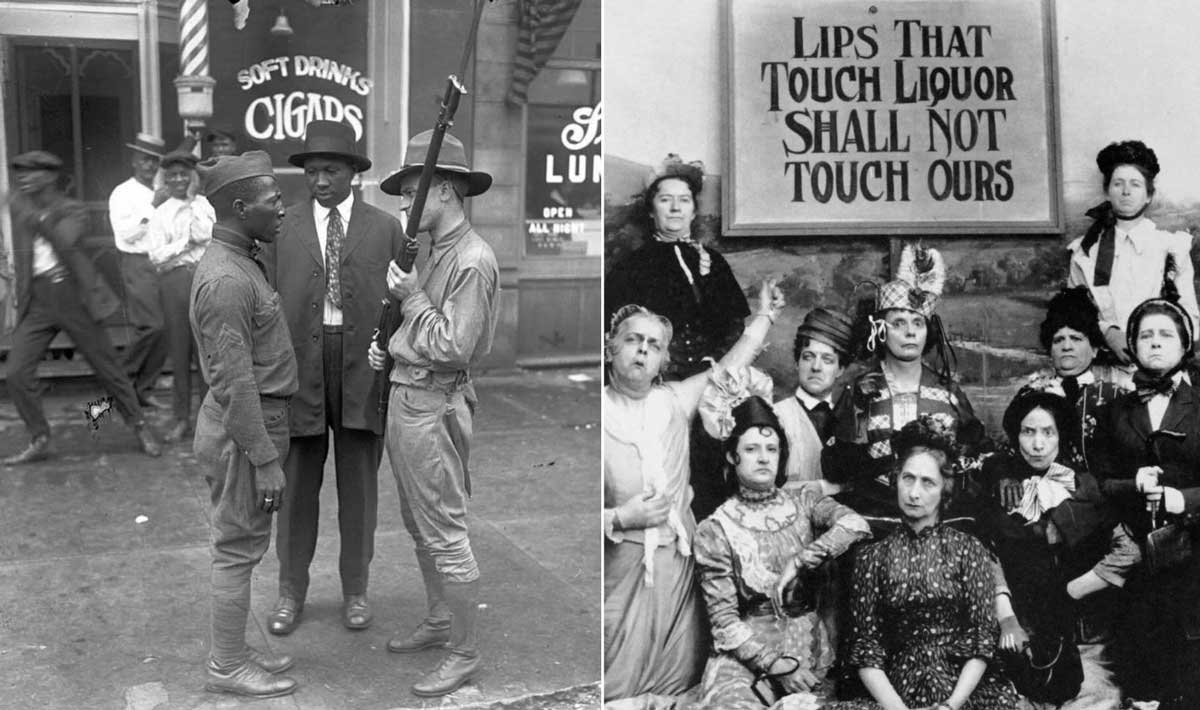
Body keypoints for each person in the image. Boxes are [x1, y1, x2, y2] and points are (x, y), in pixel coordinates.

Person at [602, 281, 784, 707]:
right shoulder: (593, 414)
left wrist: (764, 317)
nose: (643, 350)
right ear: (610, 348)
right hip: (618, 572)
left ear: (665, 359)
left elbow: (730, 364)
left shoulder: (673, 402)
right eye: (633, 340)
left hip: (678, 571)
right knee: (615, 685)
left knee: (678, 683)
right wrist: (620, 517)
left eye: (654, 344)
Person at [367, 130, 497, 697]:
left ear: (443, 190)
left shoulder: (472, 259)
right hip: (406, 395)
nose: (403, 203)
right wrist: (391, 342)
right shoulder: (430, 251)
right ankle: (442, 620)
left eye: (412, 190)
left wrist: (413, 299)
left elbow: (455, 348)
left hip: (434, 403)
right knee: (420, 523)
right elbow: (420, 335)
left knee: (444, 529)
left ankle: (465, 653)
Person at [263, 120, 402, 637]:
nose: (319, 180)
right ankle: (290, 592)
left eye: (331, 170)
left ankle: (356, 590)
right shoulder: (283, 226)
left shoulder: (385, 229)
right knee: (295, 485)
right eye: (312, 171)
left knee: (359, 487)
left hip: (363, 366)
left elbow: (404, 304)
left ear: (354, 174)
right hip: (299, 365)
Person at [190, 151, 298, 698]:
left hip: (249, 425)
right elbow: (236, 383)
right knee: (237, 548)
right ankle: (227, 666)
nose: (282, 207)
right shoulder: (228, 280)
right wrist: (266, 460)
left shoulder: (240, 260)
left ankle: (234, 651)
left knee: (245, 543)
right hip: (244, 434)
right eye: (273, 199)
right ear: (239, 207)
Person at [824, 417, 1023, 710]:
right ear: (896, 480)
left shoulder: (969, 550)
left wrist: (950, 706)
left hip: (964, 692)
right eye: (908, 478)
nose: (914, 493)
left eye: (927, 482)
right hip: (895, 692)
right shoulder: (871, 557)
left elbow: (982, 641)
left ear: (945, 488)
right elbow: (866, 650)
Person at [692, 393, 869, 709]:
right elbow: (724, 623)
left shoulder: (803, 501)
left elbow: (855, 524)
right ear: (733, 457)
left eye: (771, 449)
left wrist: (802, 561)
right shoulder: (715, 528)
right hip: (745, 657)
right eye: (751, 449)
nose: (763, 458)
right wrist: (776, 664)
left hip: (808, 648)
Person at [604, 156, 752, 522]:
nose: (674, 207)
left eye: (683, 200)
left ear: (693, 210)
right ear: (651, 210)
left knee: (712, 471)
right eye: (665, 199)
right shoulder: (632, 266)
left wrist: (713, 371)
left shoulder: (713, 263)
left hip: (711, 383)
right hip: (657, 388)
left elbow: (733, 326)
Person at [3, 151, 162, 463]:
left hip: (75, 296)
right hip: (38, 299)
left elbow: (63, 241)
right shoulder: (22, 211)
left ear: (49, 176)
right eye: (19, 172)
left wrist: (34, 217)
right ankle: (40, 437)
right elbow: (23, 260)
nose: (22, 178)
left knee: (109, 370)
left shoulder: (72, 209)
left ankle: (140, 426)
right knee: (16, 372)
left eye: (30, 172)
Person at [978, 389, 1129, 709]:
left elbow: (1128, 549)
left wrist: (1076, 588)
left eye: (1048, 432)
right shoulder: (1003, 489)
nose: (1037, 444)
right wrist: (1006, 617)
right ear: (1015, 436)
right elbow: (987, 554)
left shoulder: (1085, 486)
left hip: (1081, 633)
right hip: (1022, 626)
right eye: (1028, 432)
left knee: (1092, 698)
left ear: (1062, 437)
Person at [1090, 297, 1200, 709]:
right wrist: (1130, 485)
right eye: (1145, 335)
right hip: (1137, 559)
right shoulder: (1116, 411)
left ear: (1184, 345)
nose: (1155, 343)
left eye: (1165, 335)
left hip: (1194, 559)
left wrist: (1181, 499)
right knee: (1141, 670)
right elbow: (1099, 484)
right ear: (1132, 345)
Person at [828, 244, 984, 521]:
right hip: (875, 513)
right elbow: (840, 465)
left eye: (918, 323)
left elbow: (974, 447)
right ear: (880, 330)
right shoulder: (860, 391)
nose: (910, 332)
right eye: (898, 323)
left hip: (941, 517)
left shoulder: (947, 391)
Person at [1067, 140, 1199, 365]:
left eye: (1135, 184)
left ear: (1148, 195)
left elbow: (1190, 317)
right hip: (1102, 368)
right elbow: (1072, 311)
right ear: (1107, 191)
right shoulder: (1085, 251)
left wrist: (1153, 343)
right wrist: (1107, 333)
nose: (1126, 191)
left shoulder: (1170, 248)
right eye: (1118, 184)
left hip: (1158, 367)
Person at [144, 149, 214, 442]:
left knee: (206, 354)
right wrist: (185, 242)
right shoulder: (161, 213)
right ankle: (181, 419)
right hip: (174, 284)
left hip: (204, 280)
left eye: (184, 174)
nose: (179, 179)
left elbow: (212, 237)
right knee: (179, 351)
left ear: (192, 176)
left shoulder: (205, 205)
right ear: (166, 179)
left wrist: (191, 241)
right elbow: (156, 256)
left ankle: (209, 421)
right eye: (172, 175)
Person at [1022, 287, 1131, 472]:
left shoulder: (1115, 396)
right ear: (1050, 351)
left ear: (1095, 349)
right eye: (1058, 340)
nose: (1066, 346)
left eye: (1076, 339)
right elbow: (1008, 454)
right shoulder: (1031, 393)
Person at [109, 132, 170, 409]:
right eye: (144, 160)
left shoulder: (160, 191)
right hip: (137, 263)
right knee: (152, 326)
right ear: (134, 161)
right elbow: (127, 234)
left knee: (165, 329)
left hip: (163, 263)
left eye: (154, 161)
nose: (150, 166)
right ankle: (118, 379)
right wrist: (153, 205)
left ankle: (143, 389)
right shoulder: (123, 193)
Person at [772, 307, 856, 488]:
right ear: (797, 362)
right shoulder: (777, 416)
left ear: (840, 369)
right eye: (808, 357)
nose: (816, 367)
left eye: (827, 359)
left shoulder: (848, 417)